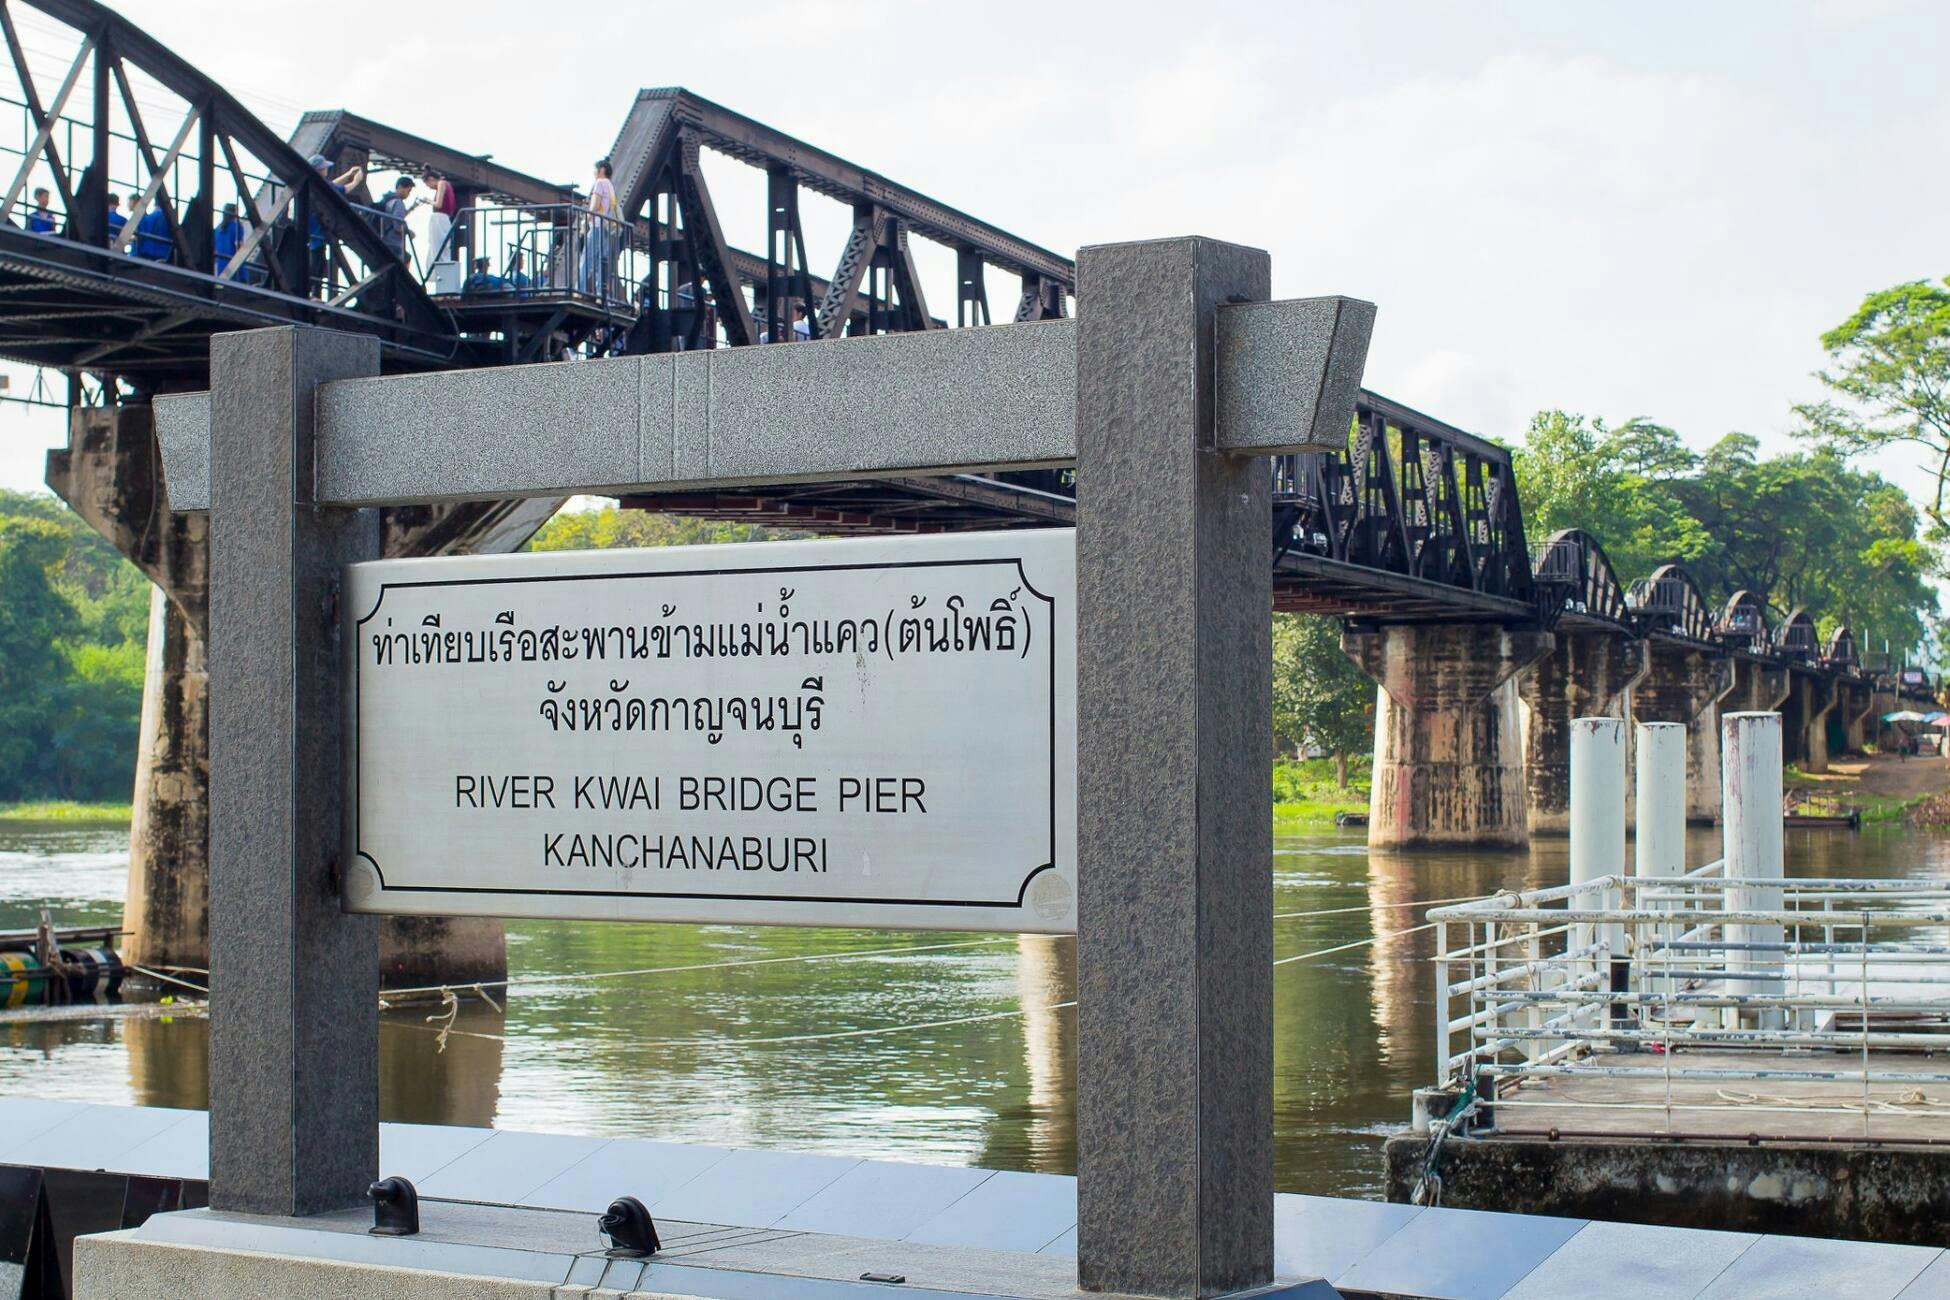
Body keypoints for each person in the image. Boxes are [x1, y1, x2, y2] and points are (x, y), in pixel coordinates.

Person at [578, 159, 616, 296]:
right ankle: (601, 293)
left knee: (587, 259)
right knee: (601, 262)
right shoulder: (610, 186)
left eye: (595, 169)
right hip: (605, 226)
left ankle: (580, 290)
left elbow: (594, 206)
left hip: (596, 226)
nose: (594, 173)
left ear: (601, 170)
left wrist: (585, 221)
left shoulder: (599, 183)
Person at [424, 169, 459, 294]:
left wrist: (427, 201)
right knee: (441, 251)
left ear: (430, 180)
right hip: (444, 219)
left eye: (428, 184)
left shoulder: (441, 184)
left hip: (439, 218)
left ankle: (445, 288)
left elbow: (438, 204)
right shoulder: (447, 185)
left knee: (439, 252)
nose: (429, 187)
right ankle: (444, 287)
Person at [375, 175, 416, 263]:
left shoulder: (388, 200)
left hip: (383, 240)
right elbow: (398, 226)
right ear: (400, 187)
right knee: (406, 259)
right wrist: (409, 232)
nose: (409, 194)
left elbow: (393, 217)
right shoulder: (398, 203)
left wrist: (412, 208)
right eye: (408, 191)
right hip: (393, 244)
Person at [213, 201, 248, 280]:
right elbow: (239, 246)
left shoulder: (218, 229)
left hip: (222, 268)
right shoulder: (237, 227)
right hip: (234, 266)